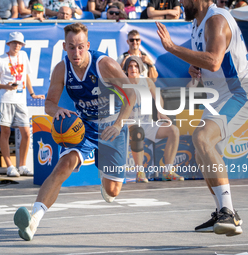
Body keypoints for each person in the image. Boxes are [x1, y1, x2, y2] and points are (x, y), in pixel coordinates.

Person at [13, 22, 136, 241]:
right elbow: (49, 103)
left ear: (88, 45)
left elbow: (131, 95)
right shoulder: (62, 69)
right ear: (64, 46)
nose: (76, 52)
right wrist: (58, 109)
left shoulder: (104, 64)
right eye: (71, 47)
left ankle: (104, 171)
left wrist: (119, 124)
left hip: (111, 125)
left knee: (112, 192)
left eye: (80, 47)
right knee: (62, 166)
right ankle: (33, 221)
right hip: (84, 126)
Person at [156, 0, 247, 236]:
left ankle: (228, 212)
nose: (181, 2)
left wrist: (172, 48)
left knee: (202, 137)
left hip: (238, 92)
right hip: (219, 95)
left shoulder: (216, 19)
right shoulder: (197, 23)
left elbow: (215, 62)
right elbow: (207, 60)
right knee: (201, 150)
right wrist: (195, 67)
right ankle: (225, 213)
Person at [0, 32, 45, 177]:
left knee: (26, 132)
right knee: (5, 133)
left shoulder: (24, 56)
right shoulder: (0, 59)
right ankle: (9, 166)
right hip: (5, 100)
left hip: (21, 100)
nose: (17, 45)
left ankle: (22, 166)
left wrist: (32, 94)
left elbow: (26, 76)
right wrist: (6, 86)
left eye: (20, 43)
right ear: (9, 44)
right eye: (14, 43)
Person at [123, 56, 183, 183]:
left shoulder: (147, 82)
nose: (133, 68)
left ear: (140, 69)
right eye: (130, 66)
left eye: (135, 66)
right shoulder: (122, 84)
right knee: (137, 131)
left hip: (146, 123)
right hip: (129, 125)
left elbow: (158, 96)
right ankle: (140, 172)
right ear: (126, 70)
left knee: (174, 130)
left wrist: (160, 111)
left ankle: (168, 171)